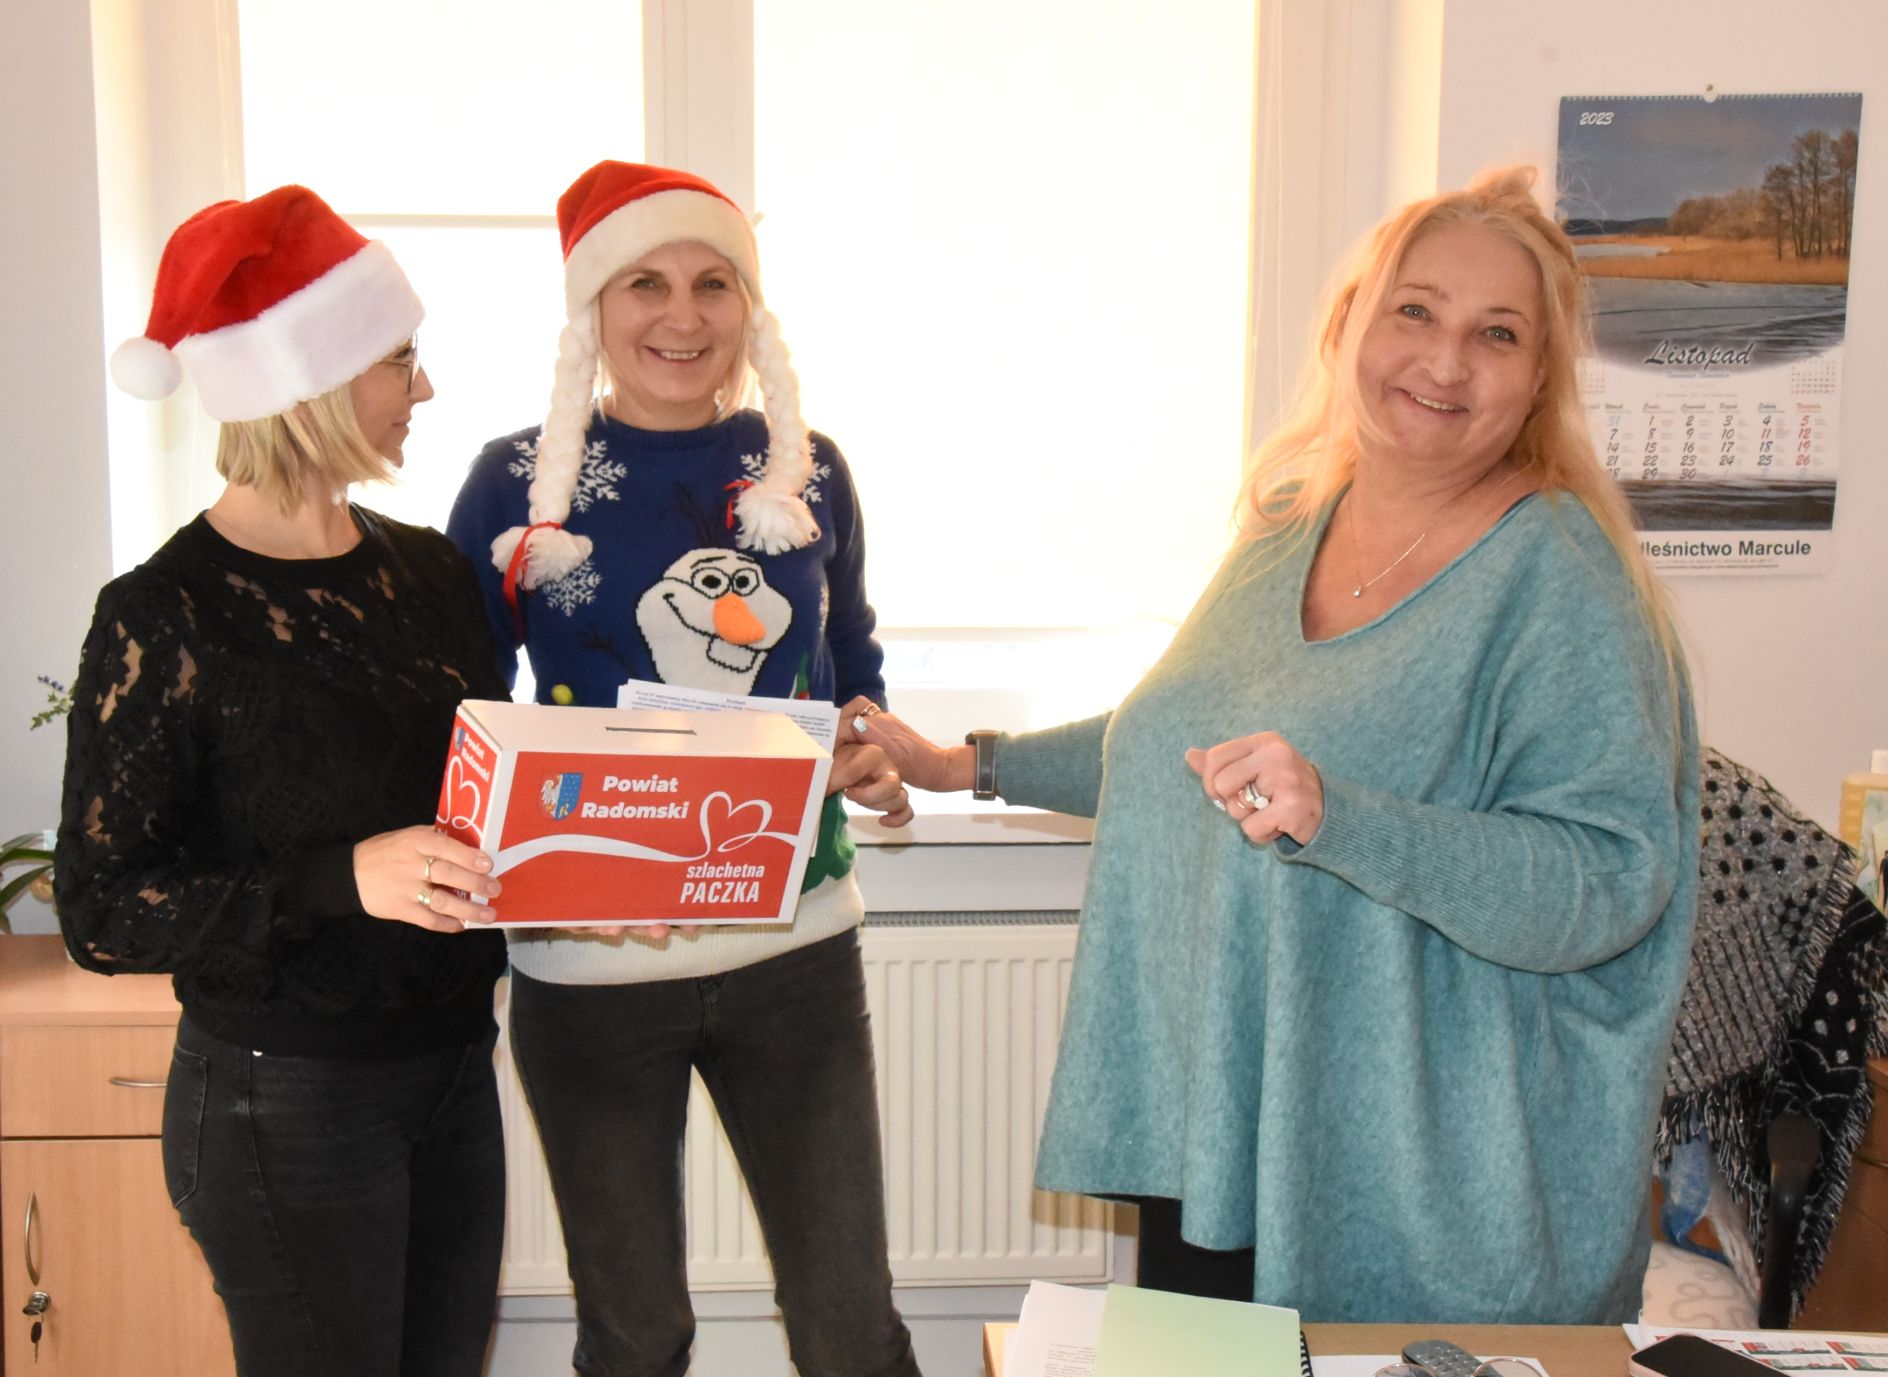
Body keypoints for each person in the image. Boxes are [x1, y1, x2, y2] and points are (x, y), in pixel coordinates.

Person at [847, 166, 1701, 1324]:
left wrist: (1341, 820)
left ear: (1540, 375)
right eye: (1415, 311)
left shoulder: (1557, 574)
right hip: (1220, 1130)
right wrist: (969, 765)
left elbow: (1606, 882)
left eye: (1496, 334)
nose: (1445, 361)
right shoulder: (1289, 523)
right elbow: (1182, 741)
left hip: (1413, 1182)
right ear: (1348, 324)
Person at [446, 160, 920, 1377]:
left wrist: (866, 750)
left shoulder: (810, 469)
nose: (682, 315)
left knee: (850, 1329)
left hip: (794, 950)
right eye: (645, 283)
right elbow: (455, 710)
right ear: (594, 306)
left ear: (749, 307)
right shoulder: (510, 482)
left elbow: (851, 664)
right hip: (587, 970)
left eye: (714, 283)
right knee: (636, 1333)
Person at [55, 186, 510, 1376]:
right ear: (311, 382)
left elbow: (481, 807)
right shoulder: (166, 613)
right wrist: (337, 879)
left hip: (454, 1070)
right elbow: (104, 907)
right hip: (282, 1100)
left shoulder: (433, 576)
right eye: (399, 359)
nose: (423, 389)